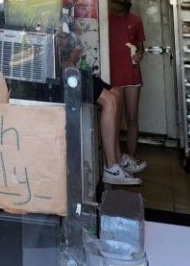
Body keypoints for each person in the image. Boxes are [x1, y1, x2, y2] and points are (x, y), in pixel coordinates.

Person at [57, 25, 141, 185]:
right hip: (64, 80)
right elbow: (64, 67)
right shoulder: (49, 44)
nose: (64, 40)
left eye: (65, 36)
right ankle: (111, 167)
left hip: (76, 73)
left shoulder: (68, 37)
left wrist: (74, 52)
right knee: (109, 100)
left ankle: (117, 156)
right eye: (61, 37)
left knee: (116, 92)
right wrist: (72, 56)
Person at [108, 0, 147, 177]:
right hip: (112, 75)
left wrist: (140, 54)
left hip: (131, 74)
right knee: (114, 118)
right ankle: (114, 160)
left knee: (132, 118)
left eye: (121, 7)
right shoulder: (105, 20)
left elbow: (141, 47)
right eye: (115, 6)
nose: (117, 11)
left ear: (127, 6)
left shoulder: (136, 21)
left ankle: (131, 158)